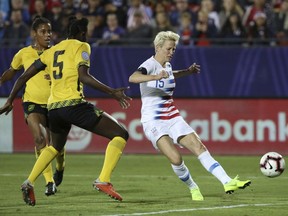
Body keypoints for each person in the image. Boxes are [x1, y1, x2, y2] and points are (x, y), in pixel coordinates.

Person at [0, 16, 131, 206]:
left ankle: (29, 182)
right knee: (121, 133)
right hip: (74, 105)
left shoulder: (52, 51)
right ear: (82, 33)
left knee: (53, 147)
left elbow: (22, 77)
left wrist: (10, 100)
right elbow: (83, 77)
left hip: (53, 109)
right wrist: (112, 92)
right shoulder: (82, 46)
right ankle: (103, 179)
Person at [128, 31, 251, 201]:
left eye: (174, 49)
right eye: (169, 49)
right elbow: (133, 78)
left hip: (172, 116)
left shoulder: (168, 65)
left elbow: (172, 74)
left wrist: (187, 71)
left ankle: (227, 181)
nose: (172, 53)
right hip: (153, 121)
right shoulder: (149, 65)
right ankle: (193, 187)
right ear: (158, 47)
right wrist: (156, 76)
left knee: (198, 147)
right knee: (176, 158)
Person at [0, 16, 65, 196]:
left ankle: (61, 166)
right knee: (39, 140)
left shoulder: (56, 53)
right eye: (43, 31)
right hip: (31, 102)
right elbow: (12, 72)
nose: (48, 35)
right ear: (34, 33)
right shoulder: (23, 53)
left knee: (56, 146)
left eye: (49, 31)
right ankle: (49, 182)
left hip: (54, 102)